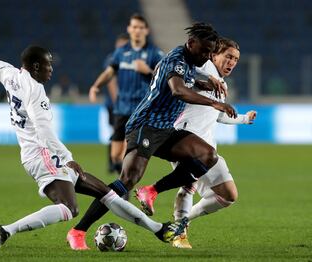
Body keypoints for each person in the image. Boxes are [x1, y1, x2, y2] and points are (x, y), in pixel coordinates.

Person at [0, 45, 188, 252]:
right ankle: (5, 230)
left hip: (38, 153)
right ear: (36, 66)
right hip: (43, 155)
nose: (51, 70)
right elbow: (44, 132)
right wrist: (67, 158)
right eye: (48, 65)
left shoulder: (10, 75)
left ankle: (159, 230)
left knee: (106, 193)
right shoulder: (35, 91)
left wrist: (6, 71)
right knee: (69, 208)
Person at [68, 22, 238, 250]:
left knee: (207, 155)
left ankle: (152, 190)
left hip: (166, 129)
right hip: (145, 125)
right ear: (191, 43)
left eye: (210, 52)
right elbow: (178, 89)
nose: (207, 56)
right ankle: (78, 231)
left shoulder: (190, 61)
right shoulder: (176, 59)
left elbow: (187, 81)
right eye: (204, 51)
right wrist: (214, 102)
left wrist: (204, 83)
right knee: (127, 180)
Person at [134, 37, 257, 248]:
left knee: (228, 195)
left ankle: (180, 223)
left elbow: (218, 114)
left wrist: (244, 118)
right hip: (184, 138)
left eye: (235, 59)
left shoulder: (222, 84)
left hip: (207, 147)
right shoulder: (203, 66)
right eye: (228, 56)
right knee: (188, 186)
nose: (232, 63)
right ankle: (179, 233)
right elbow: (173, 69)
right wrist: (204, 78)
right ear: (213, 55)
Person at [89, 13, 164, 176]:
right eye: (134, 27)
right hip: (121, 108)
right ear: (129, 29)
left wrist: (149, 71)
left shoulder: (155, 53)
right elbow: (109, 72)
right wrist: (96, 86)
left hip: (141, 111)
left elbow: (165, 80)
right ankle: (123, 182)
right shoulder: (121, 52)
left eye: (141, 28)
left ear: (146, 30)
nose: (137, 31)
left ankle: (124, 187)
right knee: (115, 155)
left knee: (129, 151)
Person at [102, 33, 130, 173]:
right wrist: (118, 103)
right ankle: (115, 162)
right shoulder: (113, 58)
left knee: (119, 133)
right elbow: (111, 82)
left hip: (123, 103)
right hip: (117, 104)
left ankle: (114, 163)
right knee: (119, 133)